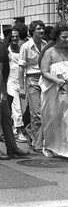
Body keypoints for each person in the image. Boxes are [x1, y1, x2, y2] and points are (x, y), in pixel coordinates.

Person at [0, 26, 30, 160]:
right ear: (9, 36)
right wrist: (3, 93)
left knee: (6, 118)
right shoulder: (1, 49)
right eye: (14, 36)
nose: (17, 40)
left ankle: (12, 147)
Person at [39, 23, 68, 158]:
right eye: (64, 37)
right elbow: (44, 71)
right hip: (54, 90)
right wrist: (57, 81)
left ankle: (65, 147)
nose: (66, 40)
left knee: (66, 119)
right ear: (57, 36)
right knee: (54, 118)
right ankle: (50, 146)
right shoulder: (49, 52)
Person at [18, 20, 47, 153]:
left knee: (45, 111)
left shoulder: (45, 44)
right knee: (36, 113)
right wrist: (22, 87)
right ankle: (37, 143)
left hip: (45, 80)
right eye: (38, 29)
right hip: (32, 80)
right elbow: (21, 68)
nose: (41, 31)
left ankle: (29, 130)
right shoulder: (26, 47)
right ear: (32, 31)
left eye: (42, 29)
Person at [8, 24, 28, 143]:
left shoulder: (24, 47)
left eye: (17, 36)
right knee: (17, 107)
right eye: (13, 36)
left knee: (24, 107)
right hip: (11, 80)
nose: (15, 39)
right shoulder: (7, 48)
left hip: (24, 78)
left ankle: (18, 127)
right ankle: (20, 131)